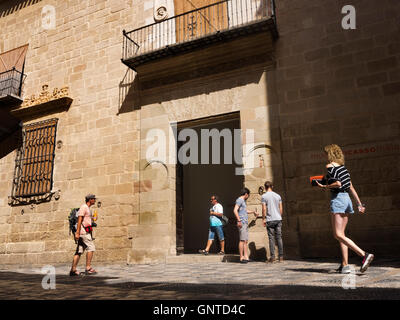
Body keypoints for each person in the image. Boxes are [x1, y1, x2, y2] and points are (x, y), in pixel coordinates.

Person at [315, 144, 374, 274]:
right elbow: (351, 187)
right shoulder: (344, 168)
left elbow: (337, 184)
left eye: (326, 154)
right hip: (347, 200)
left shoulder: (330, 166)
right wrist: (360, 204)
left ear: (329, 154)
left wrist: (324, 186)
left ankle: (364, 254)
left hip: (338, 199)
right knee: (342, 235)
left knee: (337, 234)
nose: (325, 156)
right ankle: (345, 265)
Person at [69, 194, 97, 276]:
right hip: (83, 232)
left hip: (84, 231)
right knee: (91, 248)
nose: (95, 200)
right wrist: (77, 232)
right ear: (90, 200)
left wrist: (93, 219)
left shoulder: (87, 208)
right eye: (94, 199)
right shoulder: (84, 207)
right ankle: (88, 268)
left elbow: (86, 220)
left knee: (79, 251)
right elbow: (80, 219)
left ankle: (73, 270)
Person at [233, 188, 258, 263]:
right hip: (242, 222)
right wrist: (239, 220)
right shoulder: (240, 200)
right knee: (242, 240)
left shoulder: (242, 201)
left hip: (245, 222)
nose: (248, 196)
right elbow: (235, 210)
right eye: (248, 195)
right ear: (246, 194)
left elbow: (244, 211)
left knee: (245, 240)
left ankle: (246, 257)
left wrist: (253, 212)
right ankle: (241, 257)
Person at [261, 181, 284, 263]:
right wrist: (279, 216)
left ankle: (273, 257)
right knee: (279, 238)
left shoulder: (264, 196)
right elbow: (281, 208)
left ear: (265, 187)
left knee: (271, 239)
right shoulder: (278, 196)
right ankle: (281, 257)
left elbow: (264, 209)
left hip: (270, 219)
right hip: (278, 218)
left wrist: (263, 219)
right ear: (272, 186)